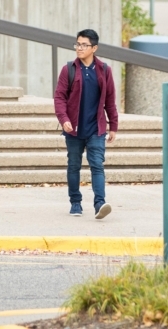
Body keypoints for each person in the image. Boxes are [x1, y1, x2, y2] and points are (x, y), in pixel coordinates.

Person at [53, 29, 119, 219]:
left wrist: (113, 125)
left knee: (97, 164)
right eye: (77, 44)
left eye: (84, 45)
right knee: (73, 165)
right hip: (73, 129)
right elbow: (59, 97)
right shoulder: (69, 69)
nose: (79, 48)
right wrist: (64, 119)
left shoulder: (104, 70)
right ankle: (75, 202)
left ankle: (100, 203)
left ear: (94, 48)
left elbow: (110, 100)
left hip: (96, 128)